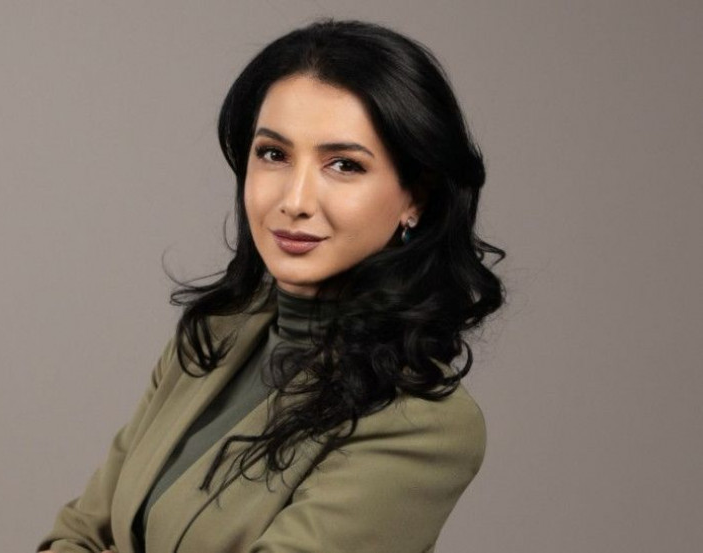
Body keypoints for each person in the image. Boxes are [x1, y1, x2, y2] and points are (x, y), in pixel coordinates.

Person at [38, 17, 505, 553]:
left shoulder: (423, 423)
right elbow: (76, 533)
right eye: (274, 155)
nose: (295, 200)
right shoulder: (213, 335)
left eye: (343, 165)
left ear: (415, 198)